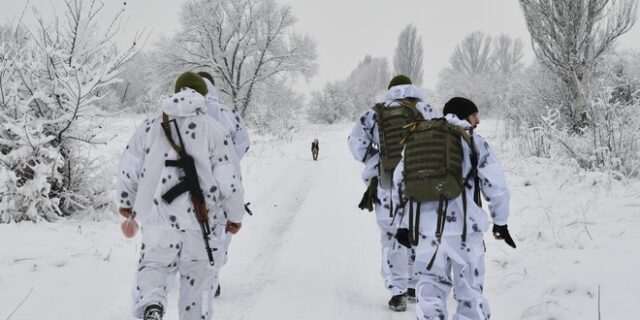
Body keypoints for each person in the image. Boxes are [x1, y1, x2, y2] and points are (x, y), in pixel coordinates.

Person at [116, 72, 246, 320]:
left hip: (157, 218)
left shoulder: (149, 127)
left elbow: (129, 166)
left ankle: (152, 303)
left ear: (176, 91)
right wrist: (235, 215)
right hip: (200, 221)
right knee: (197, 281)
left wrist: (126, 201)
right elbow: (229, 180)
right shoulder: (215, 130)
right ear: (204, 97)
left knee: (153, 265)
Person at [392, 97, 516, 320]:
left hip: (427, 233)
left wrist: (402, 225)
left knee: (429, 293)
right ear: (462, 115)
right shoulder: (473, 141)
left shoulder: (418, 138)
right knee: (469, 294)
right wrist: (501, 222)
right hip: (464, 234)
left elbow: (400, 184)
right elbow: (496, 186)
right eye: (473, 114)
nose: (477, 120)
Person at [347, 75, 437, 312]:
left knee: (392, 235)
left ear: (390, 90)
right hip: (422, 182)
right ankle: (414, 286)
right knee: (418, 232)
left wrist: (375, 160)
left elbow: (356, 144)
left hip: (387, 183)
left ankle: (397, 293)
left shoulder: (375, 113)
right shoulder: (425, 109)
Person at [196, 71, 251, 298]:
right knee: (218, 232)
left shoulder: (178, 113)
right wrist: (227, 162)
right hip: (220, 186)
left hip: (184, 187)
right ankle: (211, 279)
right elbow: (243, 143)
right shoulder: (227, 114)